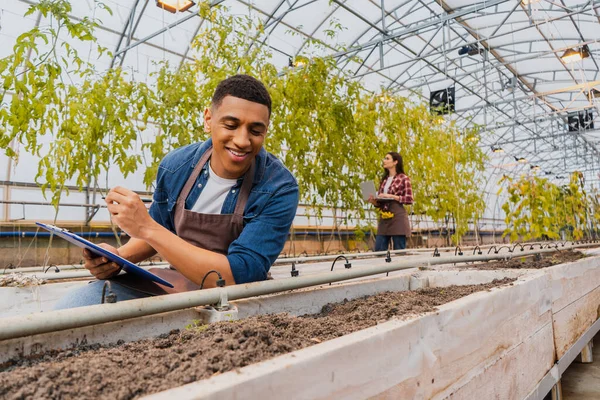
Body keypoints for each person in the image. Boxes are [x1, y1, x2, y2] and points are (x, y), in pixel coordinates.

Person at [55, 75, 299, 309]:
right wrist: (117, 257)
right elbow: (160, 229)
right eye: (231, 125)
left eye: (256, 131)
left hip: (235, 299)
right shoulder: (177, 166)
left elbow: (239, 274)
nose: (243, 141)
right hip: (174, 285)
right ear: (208, 119)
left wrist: (147, 227)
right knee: (76, 305)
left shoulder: (278, 187)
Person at [368, 152, 413, 251]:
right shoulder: (384, 180)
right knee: (379, 250)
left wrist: (391, 196)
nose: (384, 161)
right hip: (384, 217)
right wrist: (373, 201)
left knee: (399, 252)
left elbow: (409, 199)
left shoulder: (404, 178)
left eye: (387, 158)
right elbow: (380, 203)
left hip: (398, 217)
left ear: (395, 162)